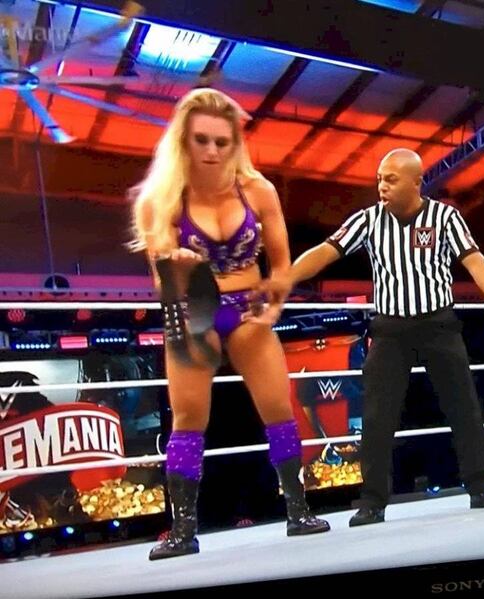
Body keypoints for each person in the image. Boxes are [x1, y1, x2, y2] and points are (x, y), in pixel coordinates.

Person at [255, 148, 484, 526]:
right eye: (380, 179)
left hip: (438, 324)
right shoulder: (368, 219)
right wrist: (285, 278)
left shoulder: (445, 217)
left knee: (463, 407)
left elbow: (473, 257)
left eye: (391, 180)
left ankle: (480, 486)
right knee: (377, 416)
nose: (382, 186)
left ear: (416, 182)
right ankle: (372, 502)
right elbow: (326, 252)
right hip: (390, 329)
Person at [129, 88, 329, 560]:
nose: (213, 151)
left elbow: (282, 265)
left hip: (248, 305)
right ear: (183, 141)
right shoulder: (161, 199)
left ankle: (298, 510)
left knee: (278, 407)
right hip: (191, 309)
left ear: (235, 143)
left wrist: (275, 303)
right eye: (202, 140)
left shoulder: (258, 190)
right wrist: (177, 265)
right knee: (188, 419)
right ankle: (182, 530)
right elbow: (161, 279)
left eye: (222, 141)